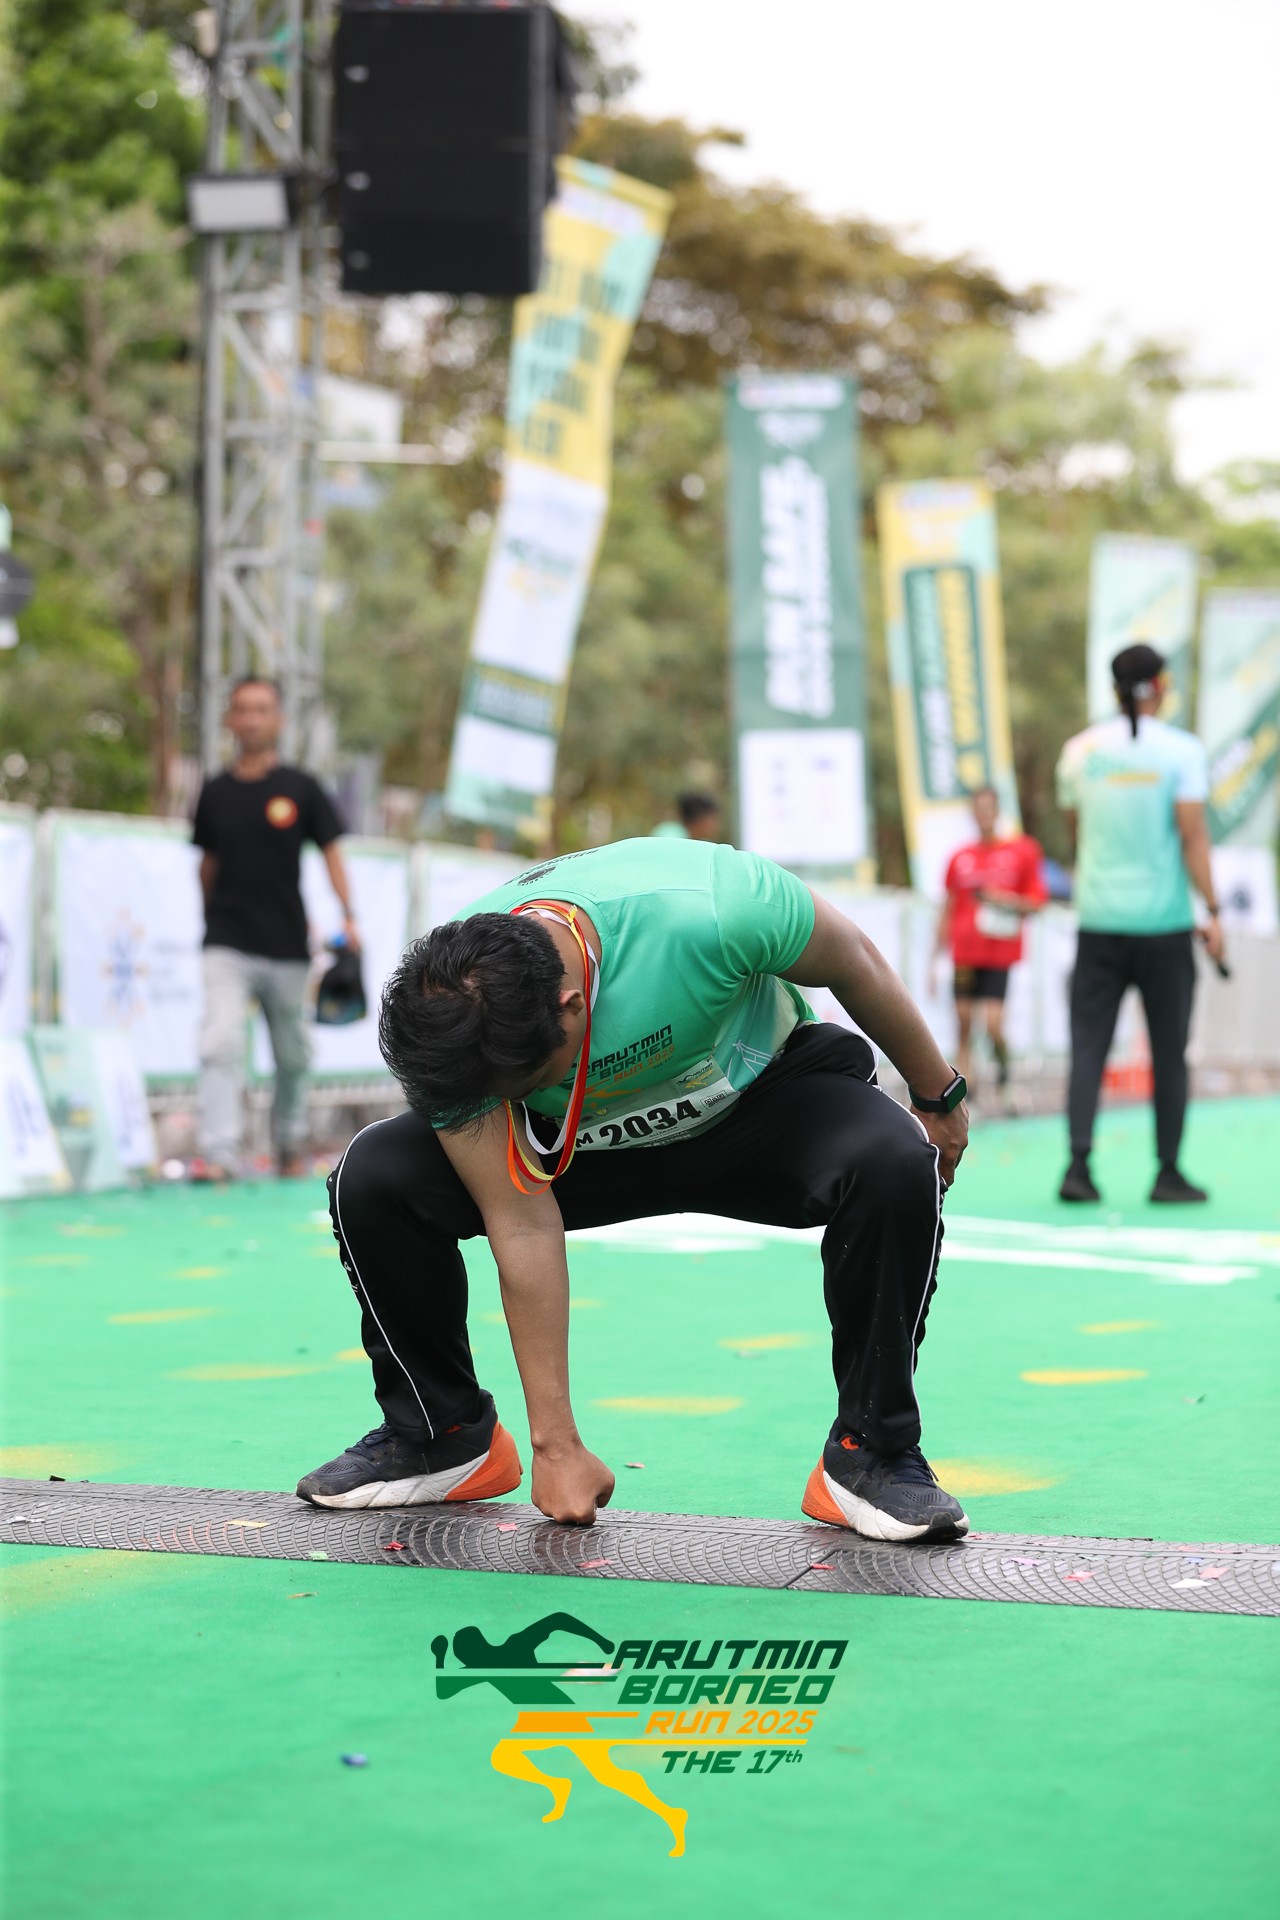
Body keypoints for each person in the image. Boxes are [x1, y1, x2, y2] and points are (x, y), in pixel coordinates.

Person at [296, 836, 971, 1544]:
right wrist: (555, 1446)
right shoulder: (453, 1022)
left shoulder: (713, 908)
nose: (496, 1095)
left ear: (571, 1008)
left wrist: (938, 1094)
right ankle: (442, 1435)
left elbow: (854, 959)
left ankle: (871, 1454)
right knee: (375, 1173)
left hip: (757, 1106)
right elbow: (519, 1221)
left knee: (896, 1157)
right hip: (575, 1149)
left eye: (522, 1080)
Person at [1055, 643, 1225, 1204]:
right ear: (1161, 686)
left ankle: (1078, 1168)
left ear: (1113, 689)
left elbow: (1077, 831)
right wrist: (1213, 911)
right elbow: (1193, 837)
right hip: (1164, 926)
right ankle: (1167, 1172)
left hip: (1099, 921)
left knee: (1089, 1049)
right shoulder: (1182, 752)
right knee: (1169, 1051)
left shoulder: (1079, 752)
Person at [191, 676, 358, 1181]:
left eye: (262, 709)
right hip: (227, 942)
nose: (252, 719)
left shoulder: (301, 788)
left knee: (293, 1053)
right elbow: (206, 865)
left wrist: (349, 916)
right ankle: (219, 1154)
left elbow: (332, 854)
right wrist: (211, 919)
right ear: (229, 718)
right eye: (242, 709)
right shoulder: (215, 791)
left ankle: (290, 1142)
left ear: (279, 719)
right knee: (220, 1040)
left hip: (287, 945)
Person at [932, 787, 1047, 1103]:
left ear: (997, 812)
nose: (983, 814)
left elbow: (1037, 903)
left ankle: (1005, 1075)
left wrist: (1004, 900)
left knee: (993, 1024)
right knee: (963, 1022)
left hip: (999, 954)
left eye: (988, 808)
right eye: (978, 808)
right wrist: (934, 959)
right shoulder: (959, 857)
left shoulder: (1022, 851)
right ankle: (966, 1094)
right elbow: (947, 907)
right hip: (964, 954)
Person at [651, 792, 723, 841]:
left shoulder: (701, 841)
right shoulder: (670, 835)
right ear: (700, 819)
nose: (716, 825)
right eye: (712, 819)